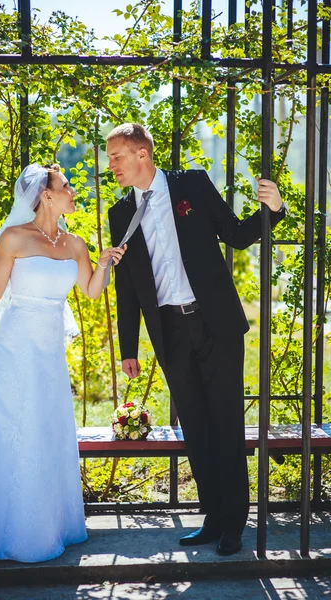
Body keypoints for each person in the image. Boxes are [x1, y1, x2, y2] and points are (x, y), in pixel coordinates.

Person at [107, 123, 285, 556]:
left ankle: (234, 525)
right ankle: (212, 518)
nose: (110, 165)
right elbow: (127, 286)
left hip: (216, 325)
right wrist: (129, 348)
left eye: (116, 157)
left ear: (142, 154)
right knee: (197, 429)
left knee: (225, 424)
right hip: (170, 332)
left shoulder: (192, 184)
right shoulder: (119, 213)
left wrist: (273, 210)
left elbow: (238, 236)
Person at [0, 163, 126, 563]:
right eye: (66, 186)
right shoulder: (14, 237)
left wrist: (103, 263)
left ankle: (54, 525)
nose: (72, 192)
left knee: (48, 430)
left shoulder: (75, 244)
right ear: (46, 195)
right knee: (18, 429)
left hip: (51, 352)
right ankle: (12, 533)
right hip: (16, 347)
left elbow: (88, 290)